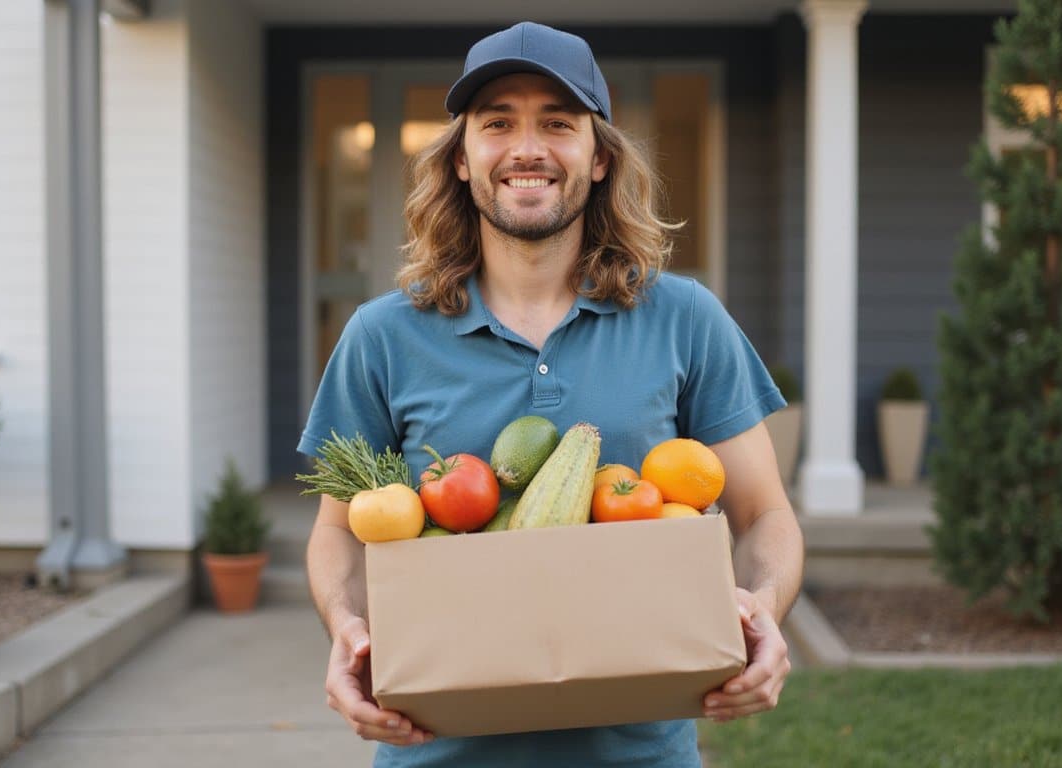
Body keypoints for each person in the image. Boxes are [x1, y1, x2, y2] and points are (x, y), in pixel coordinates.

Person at [299, 20, 804, 768]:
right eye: (497, 123)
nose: (526, 148)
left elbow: (764, 515)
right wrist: (346, 627)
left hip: (641, 751)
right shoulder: (382, 336)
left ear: (598, 158)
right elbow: (340, 532)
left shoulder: (685, 320)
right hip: (437, 751)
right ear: (463, 160)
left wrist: (762, 610)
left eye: (557, 124)